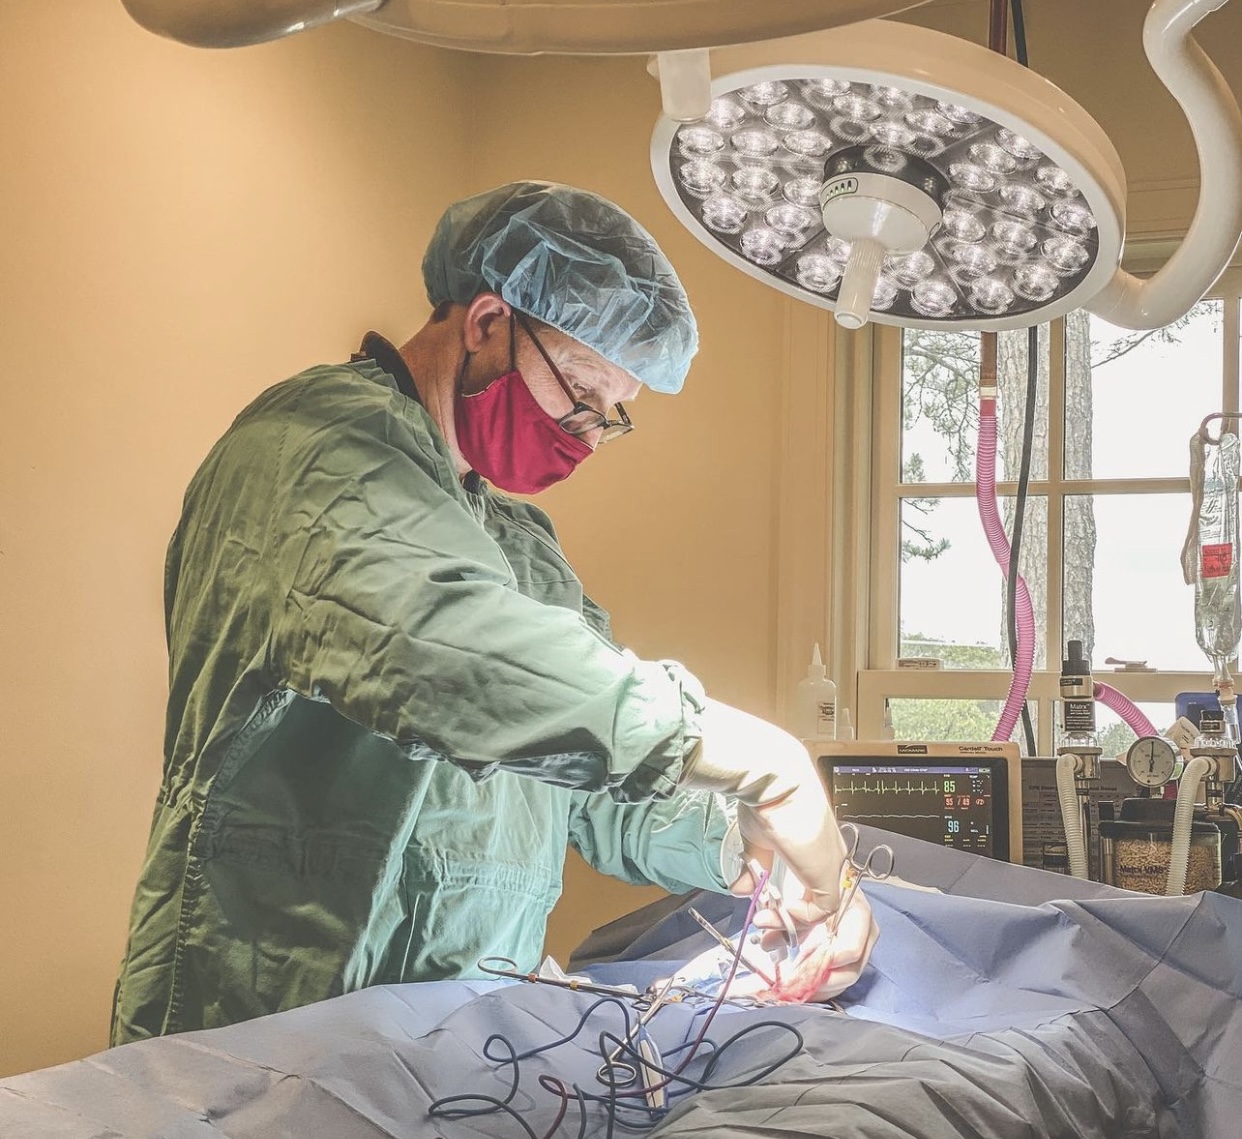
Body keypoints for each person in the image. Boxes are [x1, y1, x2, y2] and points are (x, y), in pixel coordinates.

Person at [110, 181, 877, 1045]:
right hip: (266, 1033)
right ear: (485, 323)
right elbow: (446, 655)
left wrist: (751, 848)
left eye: (607, 415)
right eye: (578, 392)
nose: (586, 434)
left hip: (466, 1047)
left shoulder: (515, 540)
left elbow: (584, 779)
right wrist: (759, 760)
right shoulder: (315, 450)